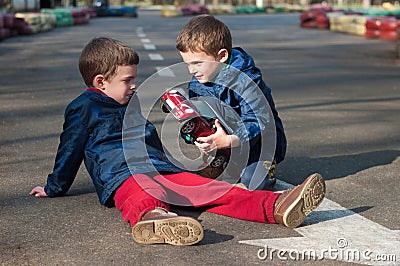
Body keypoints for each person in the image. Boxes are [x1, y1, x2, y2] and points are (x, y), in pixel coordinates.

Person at [30, 37, 326, 247]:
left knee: (213, 190)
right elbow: (69, 149)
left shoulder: (131, 104)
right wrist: (54, 187)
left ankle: (275, 207)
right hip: (121, 174)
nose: (134, 85)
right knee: (140, 193)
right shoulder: (84, 107)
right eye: (127, 80)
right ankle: (154, 218)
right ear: (100, 82)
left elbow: (152, 143)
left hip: (161, 168)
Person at [176, 15, 287, 190]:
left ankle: (266, 163)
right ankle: (228, 161)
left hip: (258, 143)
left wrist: (229, 141)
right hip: (226, 142)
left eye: (197, 63)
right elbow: (201, 118)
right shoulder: (198, 82)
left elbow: (259, 122)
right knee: (206, 180)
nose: (192, 70)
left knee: (254, 183)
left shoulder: (247, 81)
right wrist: (194, 133)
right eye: (187, 64)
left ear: (221, 56)